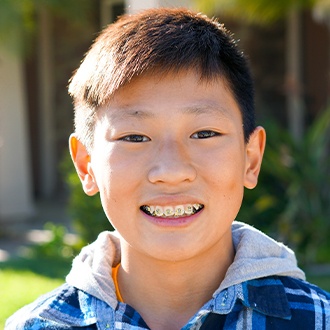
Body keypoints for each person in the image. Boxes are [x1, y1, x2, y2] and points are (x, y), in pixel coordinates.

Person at [6, 7, 330, 330]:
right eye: (135, 137)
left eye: (204, 134)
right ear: (86, 164)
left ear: (251, 159)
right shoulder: (36, 325)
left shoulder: (318, 320)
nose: (172, 171)